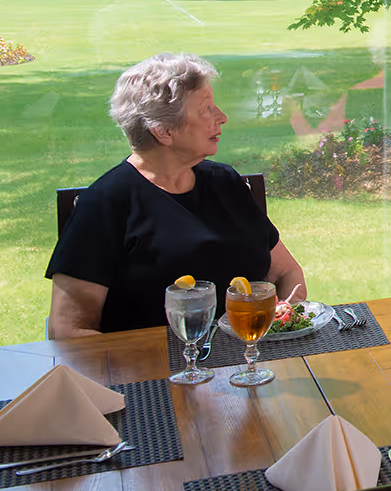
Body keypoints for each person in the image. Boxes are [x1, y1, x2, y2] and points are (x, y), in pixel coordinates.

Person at [46, 53, 306, 338]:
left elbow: (285, 274)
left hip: (248, 363)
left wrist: (282, 329)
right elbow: (70, 331)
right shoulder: (105, 204)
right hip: (157, 373)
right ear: (163, 131)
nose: (222, 117)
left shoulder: (226, 182)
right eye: (206, 109)